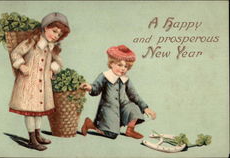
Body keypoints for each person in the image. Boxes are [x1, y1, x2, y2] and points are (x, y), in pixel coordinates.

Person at [9, 12, 70, 151]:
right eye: (54, 31)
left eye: (59, 34)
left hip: (43, 84)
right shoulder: (31, 42)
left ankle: (38, 134)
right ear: (45, 28)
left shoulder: (52, 47)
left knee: (39, 111)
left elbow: (60, 63)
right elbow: (15, 53)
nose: (55, 36)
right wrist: (21, 65)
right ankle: (31, 139)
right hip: (28, 82)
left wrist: (52, 69)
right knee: (30, 111)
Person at [80, 45, 156, 139]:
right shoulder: (105, 76)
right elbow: (96, 88)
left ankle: (130, 129)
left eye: (126, 66)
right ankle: (90, 124)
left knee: (134, 108)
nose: (123, 68)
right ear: (111, 64)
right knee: (112, 135)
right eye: (120, 65)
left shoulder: (125, 79)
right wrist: (90, 87)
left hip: (123, 106)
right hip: (109, 108)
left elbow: (134, 95)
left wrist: (145, 108)